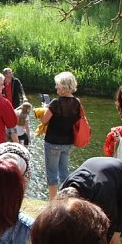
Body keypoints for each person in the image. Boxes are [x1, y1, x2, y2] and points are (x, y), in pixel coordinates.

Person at [60, 157, 122, 244]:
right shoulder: (65, 187)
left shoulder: (102, 194)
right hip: (111, 177)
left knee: (114, 235)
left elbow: (109, 223)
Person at [39, 71, 80, 199]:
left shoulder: (55, 103)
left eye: (57, 85)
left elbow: (44, 120)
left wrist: (46, 108)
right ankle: (66, 200)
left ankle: (52, 203)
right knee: (64, 173)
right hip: (68, 143)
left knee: (52, 174)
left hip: (53, 142)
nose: (56, 87)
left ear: (63, 87)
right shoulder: (77, 103)